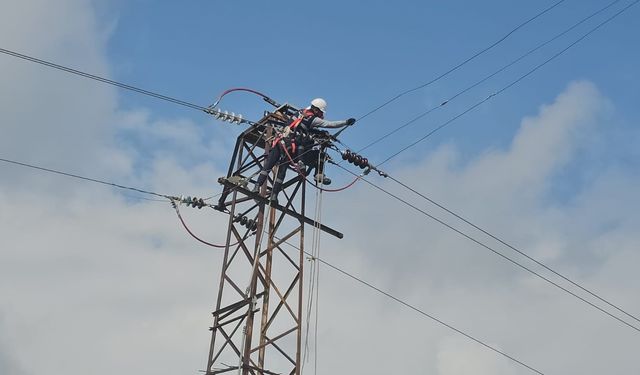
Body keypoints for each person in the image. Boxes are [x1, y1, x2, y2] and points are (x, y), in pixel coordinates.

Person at [254, 98, 356, 203]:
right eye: (321, 112)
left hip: (280, 141)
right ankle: (274, 195)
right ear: (316, 110)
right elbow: (329, 124)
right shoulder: (313, 119)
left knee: (268, 165)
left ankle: (256, 186)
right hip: (291, 146)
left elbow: (300, 126)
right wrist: (346, 122)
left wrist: (315, 131)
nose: (321, 114)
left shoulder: (300, 112)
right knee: (282, 171)